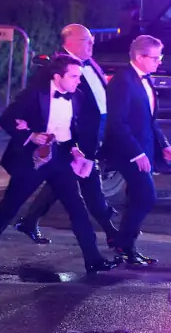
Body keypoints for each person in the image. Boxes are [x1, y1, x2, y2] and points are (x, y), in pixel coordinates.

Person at [0, 55, 120, 275]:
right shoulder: (34, 94)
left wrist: (75, 148)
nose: (78, 81)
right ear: (57, 76)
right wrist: (31, 135)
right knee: (10, 206)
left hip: (60, 157)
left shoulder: (77, 97)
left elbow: (72, 129)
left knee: (77, 208)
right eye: (73, 76)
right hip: (32, 159)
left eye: (79, 76)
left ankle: (93, 259)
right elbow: (6, 120)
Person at [14, 24, 119, 248]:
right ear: (68, 42)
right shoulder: (54, 68)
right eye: (86, 40)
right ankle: (111, 233)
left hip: (95, 130)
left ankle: (29, 221)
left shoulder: (91, 64)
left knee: (63, 181)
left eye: (91, 40)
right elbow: (37, 100)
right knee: (89, 181)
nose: (92, 44)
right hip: (73, 137)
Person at [102, 35, 171, 266]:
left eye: (159, 57)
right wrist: (137, 153)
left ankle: (125, 246)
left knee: (136, 197)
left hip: (144, 147)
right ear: (139, 56)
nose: (159, 62)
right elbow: (117, 122)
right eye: (155, 58)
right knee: (146, 197)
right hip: (128, 151)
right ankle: (124, 244)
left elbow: (150, 119)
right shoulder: (123, 81)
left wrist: (164, 145)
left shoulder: (145, 80)